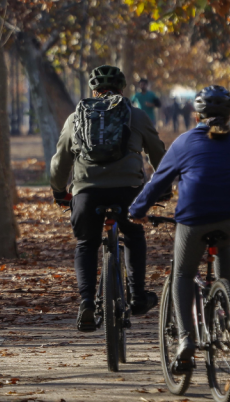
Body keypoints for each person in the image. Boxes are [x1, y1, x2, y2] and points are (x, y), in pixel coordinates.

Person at [129, 85, 230, 372]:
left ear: (196, 115)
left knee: (183, 273)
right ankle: (225, 306)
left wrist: (137, 211)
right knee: (222, 242)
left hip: (195, 218)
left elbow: (158, 182)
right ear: (229, 117)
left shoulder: (184, 143)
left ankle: (186, 340)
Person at [49, 65, 167, 332]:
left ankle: (87, 303)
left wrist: (59, 191)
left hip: (86, 193)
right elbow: (158, 154)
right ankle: (137, 296)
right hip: (128, 191)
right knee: (133, 234)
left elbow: (60, 162)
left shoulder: (75, 118)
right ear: (122, 89)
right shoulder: (136, 115)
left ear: (94, 91)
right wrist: (163, 187)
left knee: (86, 243)